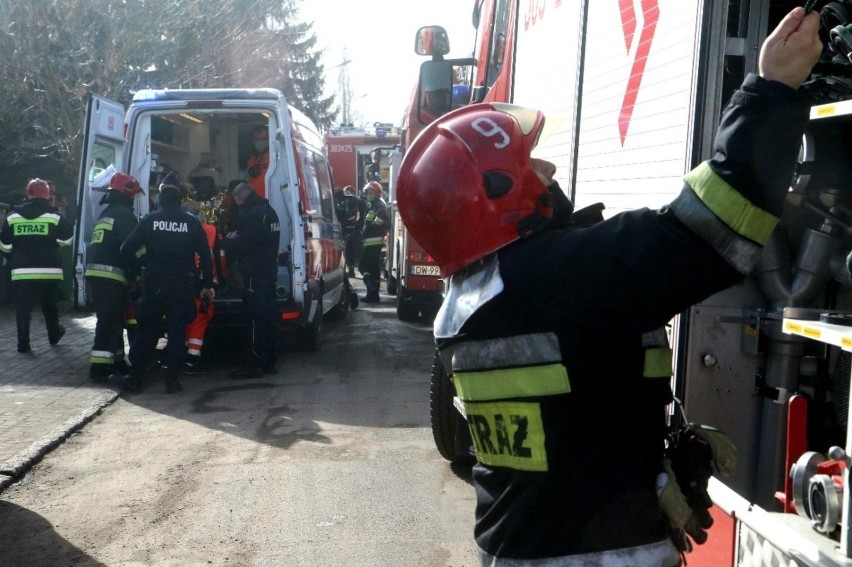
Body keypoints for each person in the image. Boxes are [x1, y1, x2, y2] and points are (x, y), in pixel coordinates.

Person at [395, 8, 822, 566]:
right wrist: (771, 90)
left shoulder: (465, 306)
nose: (548, 172)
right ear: (498, 193)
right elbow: (713, 226)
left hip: (516, 549)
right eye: (532, 166)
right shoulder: (558, 275)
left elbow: (571, 419)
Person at [112, 172, 215, 394]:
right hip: (182, 285)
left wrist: (139, 268)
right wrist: (208, 284)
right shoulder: (191, 222)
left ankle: (136, 379)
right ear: (179, 198)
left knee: (147, 331)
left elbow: (126, 249)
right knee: (177, 331)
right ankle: (172, 381)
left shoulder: (150, 220)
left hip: (155, 283)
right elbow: (206, 256)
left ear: (161, 197)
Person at [0, 178, 74, 353]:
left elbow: (4, 246)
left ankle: (23, 344)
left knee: (23, 307)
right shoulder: (55, 216)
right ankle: (54, 334)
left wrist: (13, 259)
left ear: (28, 194)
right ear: (47, 196)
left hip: (22, 271)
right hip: (49, 271)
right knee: (49, 304)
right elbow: (67, 240)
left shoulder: (13, 216)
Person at [84, 172, 143, 382]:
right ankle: (99, 368)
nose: (134, 200)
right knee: (108, 321)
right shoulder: (124, 215)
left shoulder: (107, 213)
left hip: (97, 274)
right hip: (110, 275)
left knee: (115, 318)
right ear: (127, 194)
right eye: (134, 196)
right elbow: (132, 246)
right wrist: (138, 270)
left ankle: (117, 362)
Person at [221, 182, 281, 379]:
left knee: (255, 319)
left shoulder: (255, 215)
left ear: (240, 198)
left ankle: (254, 364)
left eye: (236, 201)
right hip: (268, 271)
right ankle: (270, 361)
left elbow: (245, 244)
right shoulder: (269, 211)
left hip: (256, 273)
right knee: (269, 317)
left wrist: (223, 242)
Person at [182, 200, 221, 375]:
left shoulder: (179, 229)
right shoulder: (211, 230)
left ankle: (185, 354)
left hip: (183, 281)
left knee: (184, 318)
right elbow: (221, 258)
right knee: (200, 318)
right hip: (205, 282)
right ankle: (192, 358)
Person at [358, 180, 388, 303]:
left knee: (363, 266)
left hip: (372, 243)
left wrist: (367, 230)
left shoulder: (379, 205)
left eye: (370, 192)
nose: (368, 194)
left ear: (377, 193)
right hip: (371, 242)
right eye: (367, 192)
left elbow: (380, 221)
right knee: (373, 269)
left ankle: (371, 290)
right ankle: (374, 293)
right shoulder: (374, 205)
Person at [337, 185, 362, 277]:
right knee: (348, 252)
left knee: (356, 251)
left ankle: (361, 268)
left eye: (348, 193)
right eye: (345, 193)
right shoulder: (343, 203)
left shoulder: (358, 203)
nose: (347, 195)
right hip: (346, 230)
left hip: (355, 231)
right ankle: (350, 269)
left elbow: (360, 216)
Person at [246, 125, 269, 198]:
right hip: (253, 197)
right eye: (258, 139)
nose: (261, 142)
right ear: (253, 140)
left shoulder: (274, 156)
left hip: (268, 197)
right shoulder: (252, 160)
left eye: (263, 139)